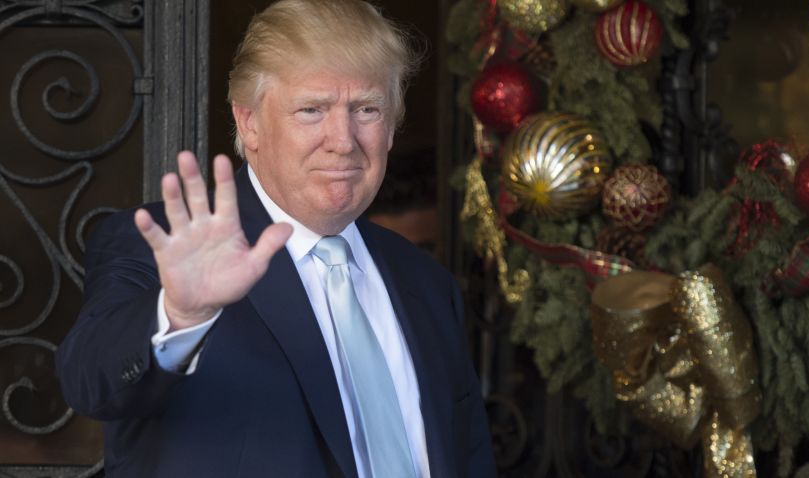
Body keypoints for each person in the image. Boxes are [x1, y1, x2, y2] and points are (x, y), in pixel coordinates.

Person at [55, 1, 497, 477]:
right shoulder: (163, 244)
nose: (343, 140)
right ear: (249, 123)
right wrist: (180, 315)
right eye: (312, 110)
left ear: (391, 127)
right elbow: (88, 382)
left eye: (366, 109)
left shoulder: (426, 283)